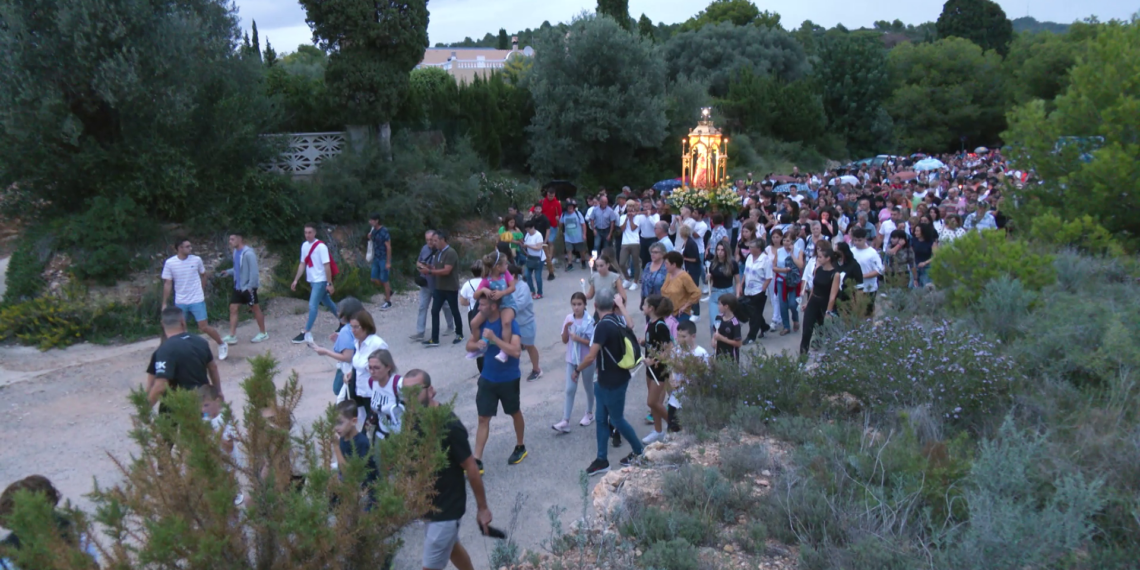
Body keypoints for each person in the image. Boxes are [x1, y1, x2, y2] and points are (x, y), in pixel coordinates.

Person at [399, 369, 492, 570]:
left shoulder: (450, 425)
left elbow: (471, 467)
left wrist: (482, 508)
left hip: (447, 509)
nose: (410, 398)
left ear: (431, 390)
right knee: (452, 548)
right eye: (406, 393)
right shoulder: (412, 418)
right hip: (429, 507)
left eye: (416, 391)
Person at [572, 288, 643, 476]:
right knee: (602, 419)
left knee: (617, 419)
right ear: (613, 305)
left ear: (595, 306)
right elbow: (631, 324)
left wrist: (577, 370)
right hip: (610, 378)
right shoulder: (617, 319)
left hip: (610, 380)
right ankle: (602, 459)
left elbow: (591, 356)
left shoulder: (602, 326)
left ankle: (639, 451)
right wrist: (620, 306)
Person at [466, 296, 528, 473]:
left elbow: (516, 351)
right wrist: (476, 344)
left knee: (514, 412)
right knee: (483, 418)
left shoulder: (510, 324)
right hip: (487, 377)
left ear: (493, 306)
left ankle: (520, 446)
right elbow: (468, 346)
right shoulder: (482, 323)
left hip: (509, 377)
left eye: (482, 305)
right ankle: (477, 459)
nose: (479, 308)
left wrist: (494, 338)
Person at [161, 238, 227, 360]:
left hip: (197, 299)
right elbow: (168, 283)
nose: (190, 249)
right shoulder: (170, 263)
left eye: (190, 246)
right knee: (180, 328)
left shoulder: (196, 260)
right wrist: (164, 303)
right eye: (187, 246)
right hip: (181, 300)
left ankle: (222, 344)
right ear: (179, 248)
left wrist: (200, 290)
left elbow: (203, 275)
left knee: (203, 327)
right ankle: (183, 352)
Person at [146, 306, 223, 408]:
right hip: (202, 403)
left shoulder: (163, 350)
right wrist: (218, 392)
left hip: (176, 409)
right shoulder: (201, 342)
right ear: (183, 322)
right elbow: (213, 367)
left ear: (162, 324)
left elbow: (159, 385)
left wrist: (145, 409)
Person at [290, 224, 339, 345]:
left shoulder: (321, 247)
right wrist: (296, 279)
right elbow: (302, 263)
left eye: (310, 232)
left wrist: (329, 283)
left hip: (320, 280)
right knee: (328, 303)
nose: (307, 235)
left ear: (315, 232)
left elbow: (326, 265)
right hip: (312, 279)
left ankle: (306, 332)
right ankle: (345, 321)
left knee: (313, 306)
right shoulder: (304, 246)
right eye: (305, 232)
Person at [555, 292, 595, 433]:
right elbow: (565, 340)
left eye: (579, 304)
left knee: (588, 386)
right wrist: (566, 328)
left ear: (585, 305)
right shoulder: (568, 318)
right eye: (574, 304)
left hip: (587, 360)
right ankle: (565, 420)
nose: (576, 307)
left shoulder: (589, 321)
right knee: (570, 389)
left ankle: (589, 413)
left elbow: (592, 343)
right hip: (572, 359)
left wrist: (578, 338)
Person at [466, 251, 517, 363]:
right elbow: (475, 296)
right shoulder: (486, 280)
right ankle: (478, 345)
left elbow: (513, 288)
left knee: (506, 322)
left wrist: (502, 293)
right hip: (493, 307)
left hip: (507, 304)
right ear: (498, 267)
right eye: (505, 264)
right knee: (474, 323)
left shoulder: (506, 274)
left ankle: (504, 351)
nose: (507, 266)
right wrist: (483, 289)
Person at [218, 233, 267, 345]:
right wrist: (228, 272)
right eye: (230, 239)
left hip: (248, 288)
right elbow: (237, 268)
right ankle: (232, 335)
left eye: (232, 239)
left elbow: (254, 272)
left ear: (240, 239)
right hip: (238, 287)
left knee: (255, 309)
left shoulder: (249, 254)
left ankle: (263, 333)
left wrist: (250, 287)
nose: (230, 241)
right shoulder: (236, 252)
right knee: (233, 308)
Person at [198, 384, 243, 505]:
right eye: (201, 407)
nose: (203, 410)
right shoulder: (204, 421)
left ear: (217, 401)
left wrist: (214, 433)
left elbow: (229, 447)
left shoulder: (225, 419)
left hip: (228, 464)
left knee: (230, 495)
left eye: (206, 405)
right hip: (214, 464)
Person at [344, 310, 389, 429]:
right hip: (360, 391)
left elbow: (386, 369)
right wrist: (351, 373)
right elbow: (358, 364)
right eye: (351, 327)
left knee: (372, 427)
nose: (353, 330)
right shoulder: (357, 342)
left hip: (373, 393)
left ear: (366, 326)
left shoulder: (377, 344)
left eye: (356, 327)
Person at [310, 297, 363, 396]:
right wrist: (340, 341)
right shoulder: (360, 326)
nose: (337, 312)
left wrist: (326, 352)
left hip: (348, 370)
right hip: (360, 368)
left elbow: (347, 357)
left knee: (338, 390)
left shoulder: (345, 331)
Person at [331, 400, 378, 508]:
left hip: (364, 491)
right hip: (350, 486)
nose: (336, 427)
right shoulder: (343, 438)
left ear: (354, 421)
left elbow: (351, 475)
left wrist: (336, 449)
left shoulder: (361, 442)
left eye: (340, 422)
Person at [421, 230, 464, 347]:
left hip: (450, 287)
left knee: (454, 310)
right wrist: (429, 266)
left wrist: (429, 271)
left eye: (436, 241)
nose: (434, 243)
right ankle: (435, 339)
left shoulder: (451, 253)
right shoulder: (438, 253)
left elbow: (446, 270)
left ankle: (459, 333)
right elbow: (438, 267)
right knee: (434, 311)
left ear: (442, 240)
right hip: (439, 287)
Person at [641, 295, 673, 445]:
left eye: (645, 304)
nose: (642, 307)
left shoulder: (661, 326)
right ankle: (658, 431)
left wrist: (653, 360)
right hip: (650, 369)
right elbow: (654, 344)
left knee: (652, 402)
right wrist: (642, 342)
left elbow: (669, 349)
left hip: (659, 369)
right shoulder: (651, 323)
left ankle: (675, 427)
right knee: (654, 403)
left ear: (651, 308)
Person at [800, 241, 842, 356]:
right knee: (806, 331)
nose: (818, 259)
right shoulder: (818, 270)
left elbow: (833, 296)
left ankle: (828, 357)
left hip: (825, 303)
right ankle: (802, 357)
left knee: (827, 332)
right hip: (814, 301)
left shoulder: (835, 274)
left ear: (828, 258)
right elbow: (813, 288)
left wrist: (828, 312)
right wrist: (807, 303)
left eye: (820, 257)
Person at [509, 264, 543, 382]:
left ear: (512, 275)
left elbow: (520, 304)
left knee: (529, 346)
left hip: (525, 323)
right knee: (511, 348)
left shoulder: (523, 287)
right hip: (512, 323)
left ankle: (537, 369)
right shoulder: (506, 286)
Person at [365, 349, 403, 439]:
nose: (372, 372)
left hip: (401, 434)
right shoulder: (372, 382)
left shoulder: (398, 384)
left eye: (376, 368)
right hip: (382, 431)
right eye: (370, 367)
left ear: (388, 367)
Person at [740, 239, 772, 344]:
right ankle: (764, 326)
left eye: (751, 247)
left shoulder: (766, 260)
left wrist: (762, 290)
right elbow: (745, 273)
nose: (749, 249)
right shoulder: (749, 257)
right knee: (752, 312)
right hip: (748, 289)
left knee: (755, 314)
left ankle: (751, 336)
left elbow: (768, 278)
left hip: (759, 292)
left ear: (758, 249)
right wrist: (741, 285)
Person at [706, 239, 740, 337]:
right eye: (718, 250)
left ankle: (726, 346)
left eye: (722, 250)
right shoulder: (712, 264)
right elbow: (709, 281)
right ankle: (715, 347)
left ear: (726, 251)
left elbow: (737, 282)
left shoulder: (732, 264)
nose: (719, 252)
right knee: (714, 323)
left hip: (728, 293)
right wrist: (708, 277)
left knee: (727, 323)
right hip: (715, 294)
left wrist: (737, 295)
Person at [772, 231, 804, 334]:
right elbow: (774, 267)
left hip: (793, 280)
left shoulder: (798, 251)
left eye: (788, 240)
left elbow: (800, 266)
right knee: (783, 304)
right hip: (782, 279)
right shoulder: (779, 251)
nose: (786, 242)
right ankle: (786, 326)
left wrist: (792, 254)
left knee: (792, 304)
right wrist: (783, 270)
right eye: (784, 240)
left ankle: (795, 319)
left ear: (793, 241)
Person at [850, 228, 883, 316]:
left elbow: (879, 270)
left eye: (859, 240)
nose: (857, 242)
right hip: (854, 287)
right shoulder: (851, 251)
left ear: (865, 239)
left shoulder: (872, 253)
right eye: (855, 240)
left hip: (869, 288)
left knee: (868, 313)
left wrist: (862, 276)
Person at [661, 251, 701, 323]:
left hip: (680, 314)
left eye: (666, 263)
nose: (665, 266)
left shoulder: (684, 277)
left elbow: (696, 293)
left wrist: (685, 306)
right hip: (667, 313)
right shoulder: (668, 275)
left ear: (674, 265)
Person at [675, 225, 703, 321]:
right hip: (688, 269)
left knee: (693, 290)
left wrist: (684, 258)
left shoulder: (691, 243)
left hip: (694, 270)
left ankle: (697, 312)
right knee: (687, 290)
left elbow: (695, 259)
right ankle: (691, 309)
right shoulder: (686, 242)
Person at [367, 213, 393, 310]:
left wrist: (388, 262)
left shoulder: (384, 231)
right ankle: (389, 291)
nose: (370, 222)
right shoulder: (373, 231)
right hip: (376, 257)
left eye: (372, 220)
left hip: (383, 258)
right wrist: (370, 237)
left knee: (384, 280)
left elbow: (388, 247)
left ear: (377, 221)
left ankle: (388, 301)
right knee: (373, 278)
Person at [617, 200, 642, 290]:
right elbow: (622, 229)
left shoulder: (638, 217)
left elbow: (632, 228)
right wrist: (627, 218)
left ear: (634, 207)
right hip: (625, 242)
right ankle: (627, 279)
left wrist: (631, 219)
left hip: (635, 242)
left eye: (631, 206)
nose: (629, 208)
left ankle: (635, 281)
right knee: (622, 263)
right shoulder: (622, 217)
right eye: (628, 206)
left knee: (635, 263)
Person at [529, 202, 556, 282]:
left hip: (543, 240)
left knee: (547, 258)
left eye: (539, 209)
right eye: (536, 208)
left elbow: (548, 230)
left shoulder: (544, 218)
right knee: (534, 257)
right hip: (535, 241)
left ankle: (551, 273)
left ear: (541, 209)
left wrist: (545, 240)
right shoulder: (533, 218)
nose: (537, 210)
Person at [560, 199, 589, 271]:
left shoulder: (578, 214)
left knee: (581, 251)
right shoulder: (563, 214)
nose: (570, 208)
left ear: (573, 207)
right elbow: (560, 224)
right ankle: (570, 264)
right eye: (568, 206)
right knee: (569, 251)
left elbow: (583, 225)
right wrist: (562, 231)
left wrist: (584, 234)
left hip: (578, 237)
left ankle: (583, 261)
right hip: (568, 237)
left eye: (571, 206)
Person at [521, 220, 546, 299]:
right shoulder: (527, 235)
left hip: (539, 258)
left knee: (537, 276)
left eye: (529, 229)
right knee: (527, 275)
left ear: (533, 227)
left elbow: (538, 247)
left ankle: (540, 292)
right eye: (527, 230)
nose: (528, 231)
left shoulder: (538, 235)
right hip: (530, 258)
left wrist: (528, 246)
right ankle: (532, 290)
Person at [911, 222, 939, 288]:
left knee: (926, 284)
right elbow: (911, 253)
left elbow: (936, 256)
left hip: (927, 266)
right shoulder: (913, 241)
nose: (915, 233)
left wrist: (925, 263)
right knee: (912, 285)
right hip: (915, 266)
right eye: (915, 231)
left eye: (917, 231)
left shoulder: (931, 242)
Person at [637, 200, 660, 271]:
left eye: (647, 206)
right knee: (643, 257)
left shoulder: (656, 215)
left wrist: (649, 216)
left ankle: (652, 272)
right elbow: (638, 228)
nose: (645, 208)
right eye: (644, 207)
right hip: (643, 238)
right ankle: (645, 272)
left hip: (652, 239)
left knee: (652, 257)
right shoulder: (641, 216)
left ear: (651, 206)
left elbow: (656, 225)